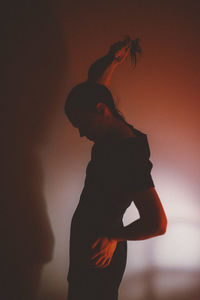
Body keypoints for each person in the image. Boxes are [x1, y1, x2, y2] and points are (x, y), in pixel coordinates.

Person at [65, 37, 167, 300]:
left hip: (98, 254)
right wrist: (113, 59)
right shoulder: (111, 128)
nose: (81, 134)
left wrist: (114, 237)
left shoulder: (128, 153)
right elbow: (95, 83)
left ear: (102, 110)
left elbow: (157, 223)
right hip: (90, 244)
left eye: (81, 125)